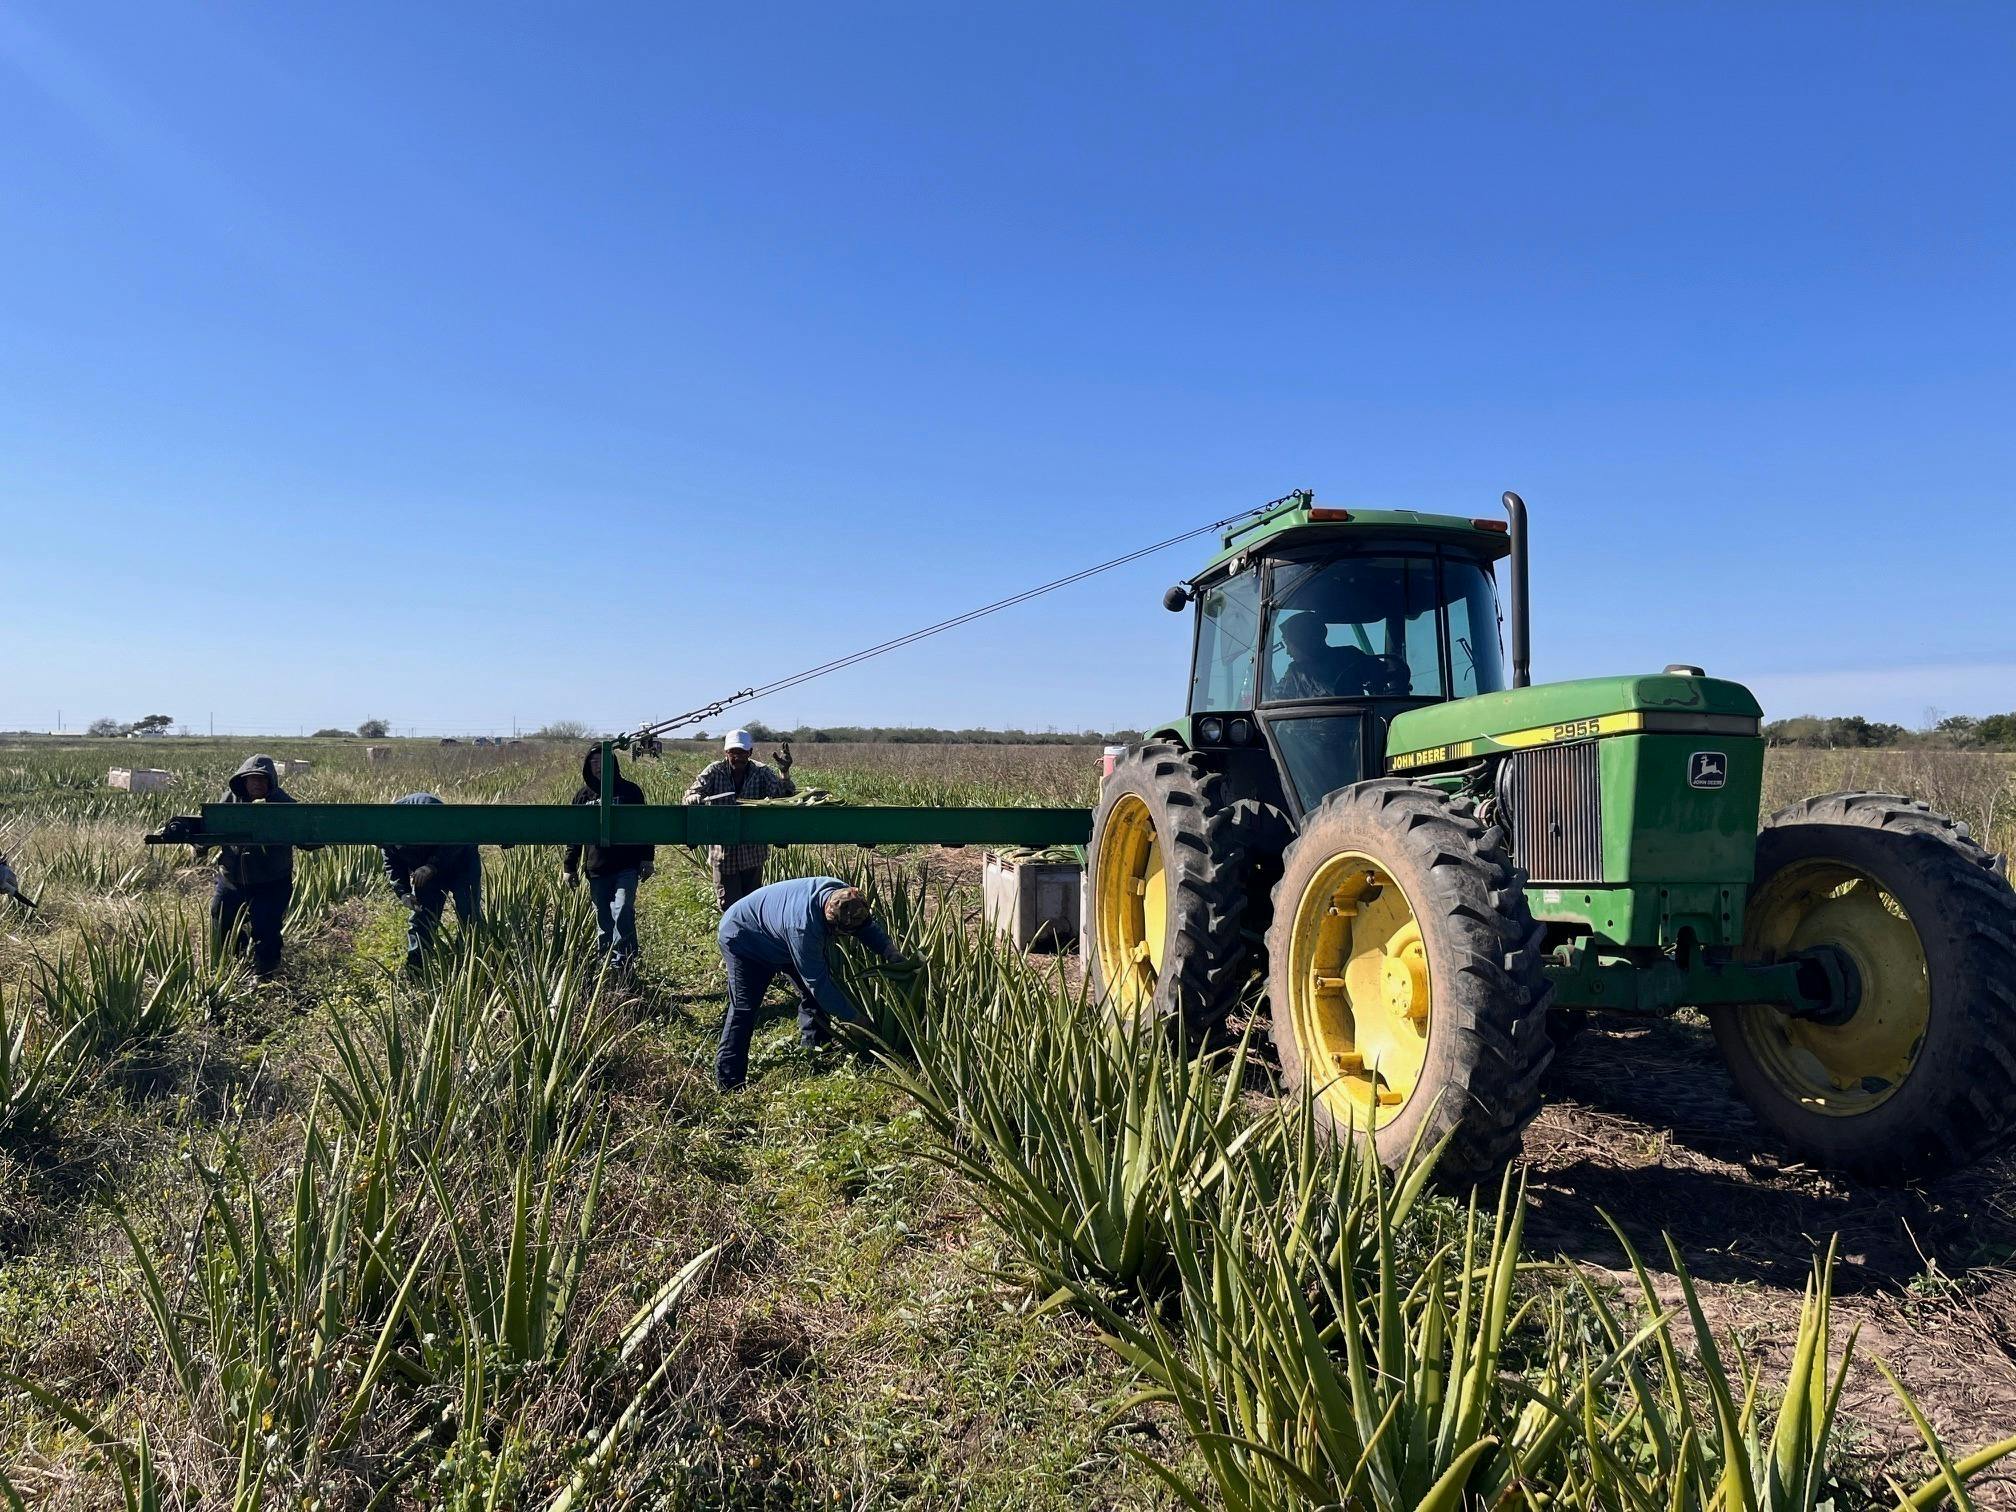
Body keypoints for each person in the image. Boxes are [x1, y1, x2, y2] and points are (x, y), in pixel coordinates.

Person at [713, 876, 902, 1091]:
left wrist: (890, 952)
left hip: (776, 932)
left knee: (810, 996)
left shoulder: (843, 894)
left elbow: (863, 926)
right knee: (744, 1009)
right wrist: (854, 1019)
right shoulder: (804, 930)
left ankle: (816, 1049)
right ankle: (729, 1081)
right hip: (743, 937)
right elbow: (819, 985)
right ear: (832, 924)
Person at [205, 754, 308, 978]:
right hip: (232, 878)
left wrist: (310, 838)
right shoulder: (230, 800)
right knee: (221, 918)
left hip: (271, 881)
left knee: (266, 928)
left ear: (271, 781)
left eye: (262, 779)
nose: (257, 784)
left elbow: (305, 834)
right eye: (252, 779)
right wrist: (200, 843)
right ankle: (235, 966)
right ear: (243, 781)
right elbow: (213, 826)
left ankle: (266, 973)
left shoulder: (283, 803)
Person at [561, 745, 655, 970]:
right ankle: (607, 965)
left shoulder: (630, 791)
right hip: (597, 868)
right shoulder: (583, 796)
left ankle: (626, 961)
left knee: (622, 910)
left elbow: (645, 826)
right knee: (603, 918)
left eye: (603, 762)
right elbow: (574, 834)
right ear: (588, 766)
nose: (598, 767)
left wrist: (647, 858)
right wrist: (569, 867)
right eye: (593, 762)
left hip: (626, 865)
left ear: (613, 764)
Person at [683, 730, 796, 910]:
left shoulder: (761, 772)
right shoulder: (714, 770)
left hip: (752, 853)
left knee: (752, 906)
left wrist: (784, 772)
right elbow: (691, 793)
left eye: (742, 752)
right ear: (726, 752)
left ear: (750, 752)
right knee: (729, 906)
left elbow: (782, 797)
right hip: (724, 853)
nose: (738, 757)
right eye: (733, 752)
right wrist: (693, 797)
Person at [380, 792, 482, 971]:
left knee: (468, 913)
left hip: (461, 862)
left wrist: (432, 866)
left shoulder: (428, 809)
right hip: (426, 871)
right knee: (423, 916)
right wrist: (403, 893)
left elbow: (455, 837)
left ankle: (467, 962)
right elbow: (392, 863)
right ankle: (417, 968)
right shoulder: (384, 832)